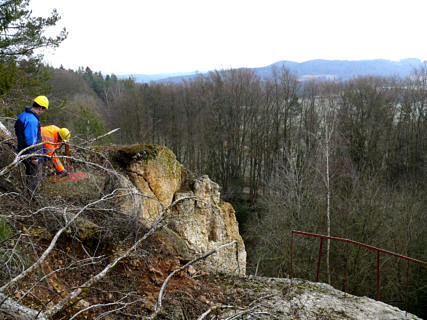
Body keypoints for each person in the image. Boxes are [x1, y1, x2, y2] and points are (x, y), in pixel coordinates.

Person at [14, 96, 49, 196]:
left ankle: (29, 196)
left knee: (28, 176)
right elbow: (31, 141)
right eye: (44, 109)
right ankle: (33, 200)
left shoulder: (22, 115)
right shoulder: (32, 120)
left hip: (22, 151)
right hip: (31, 155)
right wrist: (34, 157)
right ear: (40, 108)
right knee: (34, 178)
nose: (43, 112)